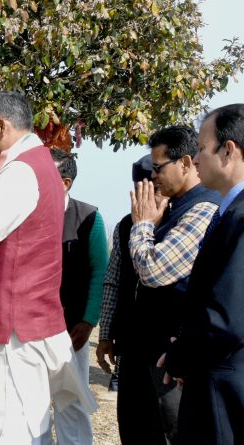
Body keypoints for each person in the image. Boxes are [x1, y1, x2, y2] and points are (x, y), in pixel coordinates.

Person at [0, 91, 95, 445]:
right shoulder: (39, 163)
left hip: (10, 323)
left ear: (1, 127)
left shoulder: (20, 171)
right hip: (25, 316)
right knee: (27, 423)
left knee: (6, 427)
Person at [121, 125, 219, 445]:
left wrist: (144, 226)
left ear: (187, 163)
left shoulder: (203, 209)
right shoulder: (172, 209)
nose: (153, 176)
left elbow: (153, 269)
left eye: (158, 167)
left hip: (170, 360)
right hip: (145, 353)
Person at [161, 104, 244, 444]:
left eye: (200, 149)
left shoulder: (241, 218)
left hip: (224, 389)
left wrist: (182, 357)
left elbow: (226, 318)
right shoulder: (230, 213)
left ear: (228, 150)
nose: (194, 160)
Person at [46, 149, 108, 445]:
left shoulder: (88, 217)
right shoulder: (27, 212)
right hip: (31, 325)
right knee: (32, 401)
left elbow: (100, 272)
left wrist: (88, 320)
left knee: (70, 398)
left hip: (71, 328)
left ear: (66, 182)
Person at [96, 155, 153, 392]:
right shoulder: (124, 226)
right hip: (128, 339)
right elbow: (113, 281)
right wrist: (105, 334)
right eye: (139, 189)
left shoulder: (181, 221)